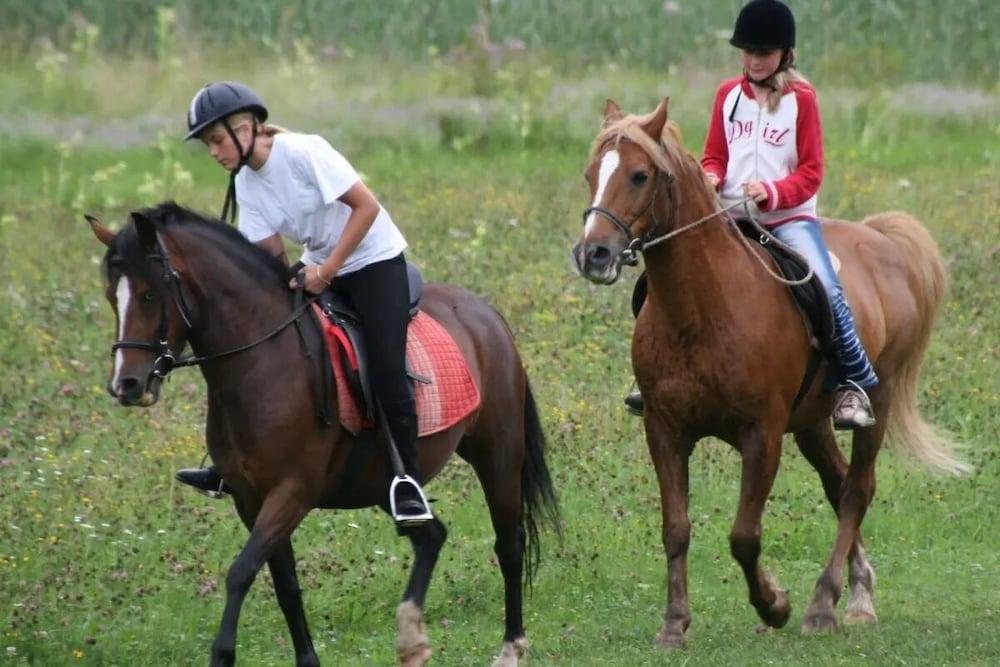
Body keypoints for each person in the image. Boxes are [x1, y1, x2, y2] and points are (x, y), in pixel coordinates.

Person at [175, 81, 433, 524]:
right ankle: (231, 462)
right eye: (208, 146)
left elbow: (366, 207)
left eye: (217, 141)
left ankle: (406, 482)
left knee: (387, 367)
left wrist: (326, 271)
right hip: (317, 263)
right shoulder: (248, 184)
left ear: (246, 129)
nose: (214, 153)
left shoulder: (304, 151)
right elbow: (271, 257)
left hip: (374, 260)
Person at [625, 0, 878, 429]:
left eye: (763, 53)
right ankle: (654, 375)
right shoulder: (728, 96)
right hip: (728, 217)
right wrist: (710, 177)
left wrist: (772, 191)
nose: (754, 61)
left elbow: (812, 172)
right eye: (748, 53)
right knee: (657, 279)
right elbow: (715, 155)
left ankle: (853, 382)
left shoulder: (802, 100)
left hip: (787, 221)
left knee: (828, 287)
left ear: (784, 53)